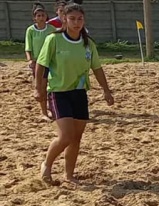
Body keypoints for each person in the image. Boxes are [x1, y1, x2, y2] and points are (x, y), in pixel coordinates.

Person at [35, 2, 114, 186]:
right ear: (64, 19)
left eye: (80, 19)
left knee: (76, 138)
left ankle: (69, 175)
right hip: (58, 92)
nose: (76, 22)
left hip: (79, 92)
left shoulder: (88, 43)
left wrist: (106, 90)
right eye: (72, 19)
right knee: (65, 136)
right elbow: (41, 65)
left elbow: (97, 68)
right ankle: (46, 164)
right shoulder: (54, 39)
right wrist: (37, 88)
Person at [26, 3, 56, 118]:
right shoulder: (30, 30)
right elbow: (28, 47)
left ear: (46, 16)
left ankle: (52, 109)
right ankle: (44, 112)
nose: (41, 17)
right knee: (41, 87)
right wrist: (30, 60)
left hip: (52, 61)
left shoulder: (52, 29)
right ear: (34, 18)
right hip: (39, 63)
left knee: (53, 86)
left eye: (43, 15)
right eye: (38, 15)